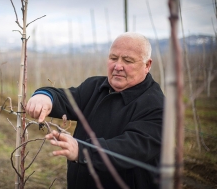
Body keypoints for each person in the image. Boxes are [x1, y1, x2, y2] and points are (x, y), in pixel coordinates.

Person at [25, 32, 164, 189]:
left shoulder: (156, 105)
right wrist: (45, 96)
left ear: (147, 65)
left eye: (128, 60)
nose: (118, 66)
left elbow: (131, 148)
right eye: (113, 58)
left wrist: (83, 151)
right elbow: (67, 98)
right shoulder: (95, 87)